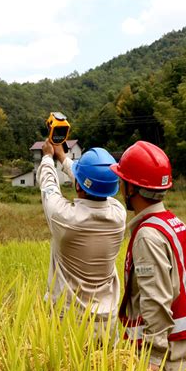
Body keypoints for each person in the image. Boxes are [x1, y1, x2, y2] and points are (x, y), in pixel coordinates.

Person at [110, 140, 186, 371]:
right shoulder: (177, 224)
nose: (120, 186)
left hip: (166, 360)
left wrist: (153, 359)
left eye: (122, 180)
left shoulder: (148, 236)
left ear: (131, 188)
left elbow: (156, 301)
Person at [37, 140, 126, 329]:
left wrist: (47, 157)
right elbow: (99, 186)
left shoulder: (64, 217)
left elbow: (48, 186)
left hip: (67, 320)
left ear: (79, 185)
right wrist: (63, 157)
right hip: (107, 321)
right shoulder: (119, 214)